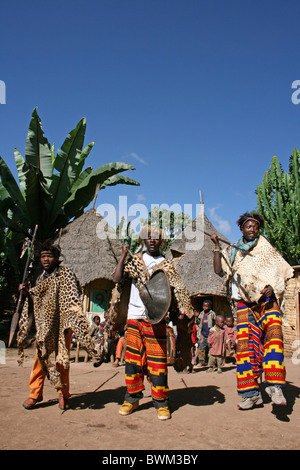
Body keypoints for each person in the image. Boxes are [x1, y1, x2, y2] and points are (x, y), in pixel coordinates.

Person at [211, 212, 294, 410]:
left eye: (255, 227)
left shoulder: (267, 249)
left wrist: (273, 288)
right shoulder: (233, 251)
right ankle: (251, 394)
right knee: (246, 350)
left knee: (274, 339)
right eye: (248, 226)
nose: (252, 230)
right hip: (244, 304)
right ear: (242, 229)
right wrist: (216, 247)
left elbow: (281, 273)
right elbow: (218, 270)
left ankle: (274, 386)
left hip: (268, 302)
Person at [17, 241, 96, 411]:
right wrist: (26, 292)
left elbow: (73, 298)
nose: (46, 259)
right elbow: (37, 301)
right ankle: (35, 394)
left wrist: (70, 322)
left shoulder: (66, 274)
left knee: (62, 361)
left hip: (63, 325)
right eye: (43, 256)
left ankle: (63, 394)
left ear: (56, 258)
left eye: (49, 256)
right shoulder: (40, 278)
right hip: (45, 326)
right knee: (40, 360)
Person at [113, 226, 171, 420]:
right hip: (134, 316)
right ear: (143, 241)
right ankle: (132, 398)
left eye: (156, 238)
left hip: (157, 318)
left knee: (158, 363)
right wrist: (123, 256)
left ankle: (161, 401)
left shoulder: (166, 263)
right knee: (133, 362)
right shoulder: (135, 260)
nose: (152, 240)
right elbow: (117, 278)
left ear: (161, 241)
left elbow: (174, 291)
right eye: (148, 237)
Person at [196, 300, 215, 366]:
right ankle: (201, 361)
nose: (205, 307)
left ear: (210, 307)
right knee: (202, 348)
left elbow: (216, 323)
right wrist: (197, 317)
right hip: (203, 333)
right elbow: (198, 322)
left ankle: (211, 362)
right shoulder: (201, 313)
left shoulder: (212, 313)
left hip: (210, 333)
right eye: (204, 306)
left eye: (206, 306)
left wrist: (213, 319)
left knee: (211, 348)